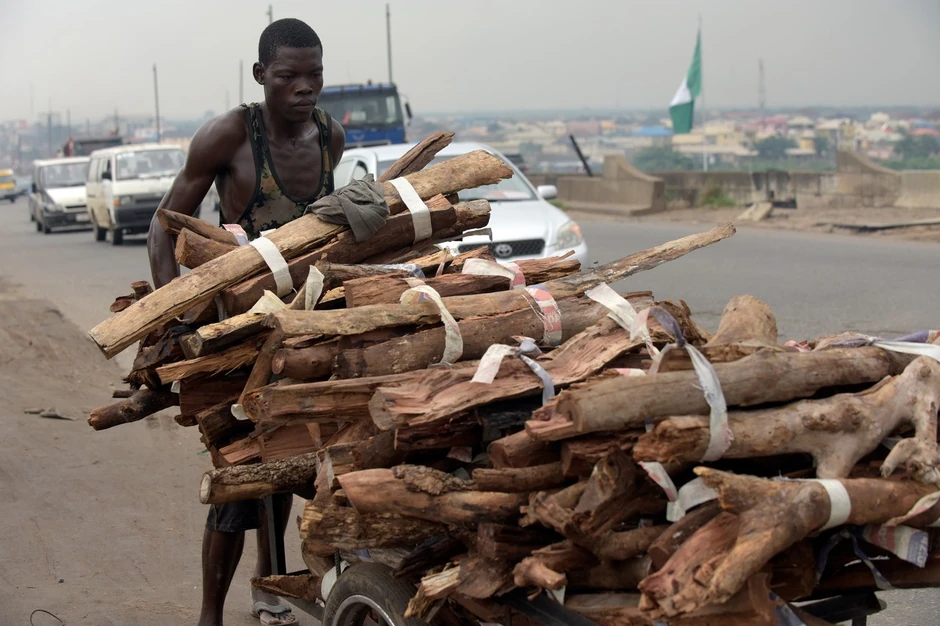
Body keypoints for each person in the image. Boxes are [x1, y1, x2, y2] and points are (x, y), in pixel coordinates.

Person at [147, 18, 345, 626]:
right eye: (289, 76)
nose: (304, 87)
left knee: (307, 466)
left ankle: (278, 593)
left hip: (310, 327)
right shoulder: (231, 136)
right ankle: (211, 614)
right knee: (244, 472)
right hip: (241, 330)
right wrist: (176, 314)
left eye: (314, 75)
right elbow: (165, 227)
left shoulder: (330, 137)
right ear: (261, 76)